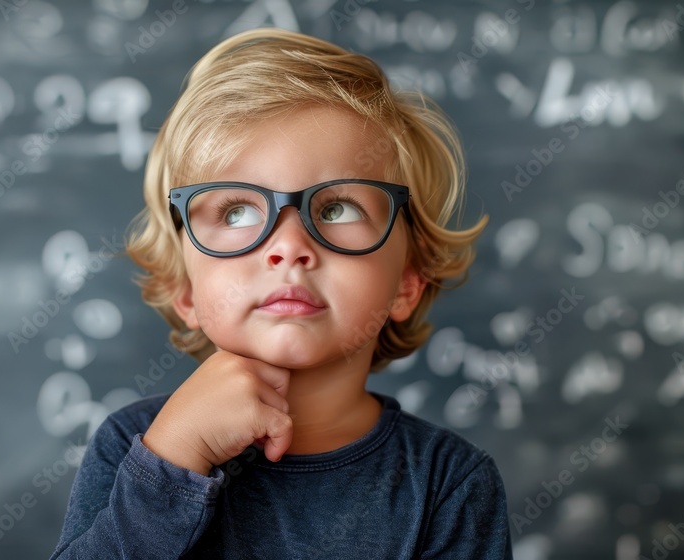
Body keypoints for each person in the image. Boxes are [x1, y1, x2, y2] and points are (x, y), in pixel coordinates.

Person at [50, 27, 510, 559]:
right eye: (237, 211)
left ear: (406, 285)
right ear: (185, 293)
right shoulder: (137, 446)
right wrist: (173, 463)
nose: (289, 246)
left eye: (337, 209)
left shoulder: (448, 483)